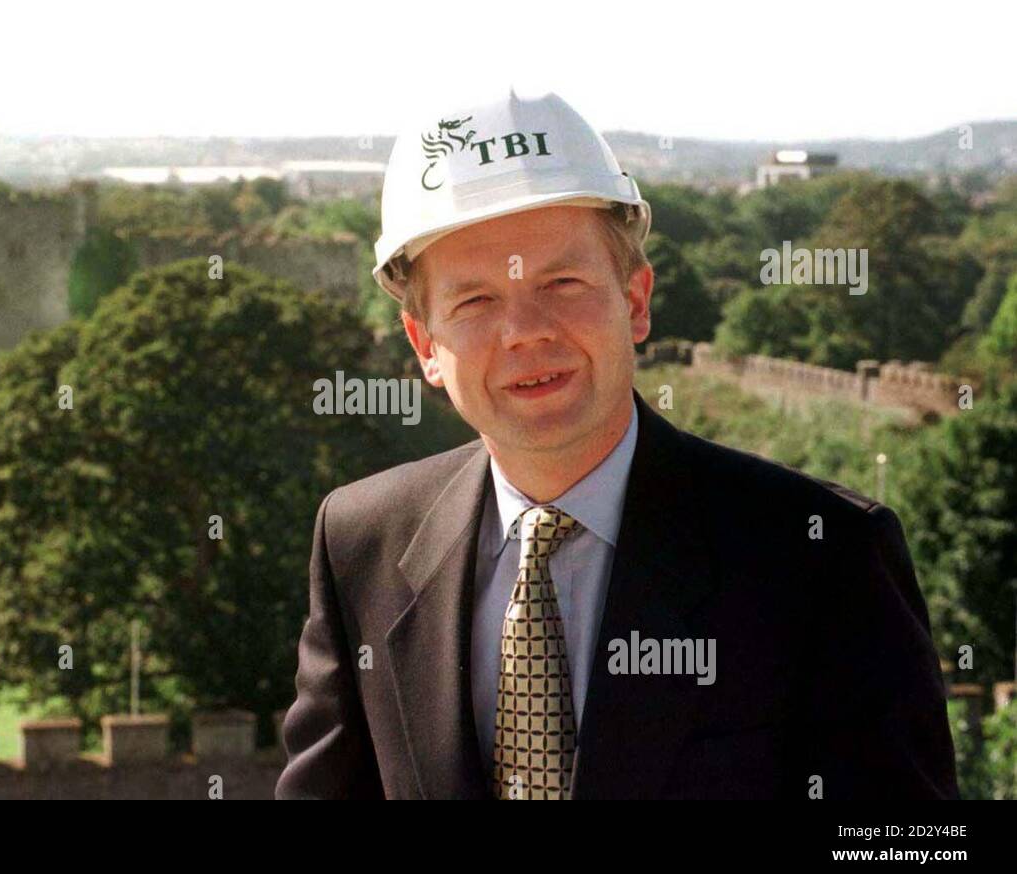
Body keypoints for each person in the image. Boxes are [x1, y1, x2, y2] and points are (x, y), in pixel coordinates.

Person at [275, 89, 958, 800]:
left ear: (634, 300)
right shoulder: (361, 544)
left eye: (562, 282)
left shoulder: (824, 558)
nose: (525, 331)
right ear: (426, 346)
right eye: (474, 301)